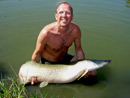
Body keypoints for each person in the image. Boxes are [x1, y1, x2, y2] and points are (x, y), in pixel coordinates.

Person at [31, 2, 96, 77]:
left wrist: (84, 69)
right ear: (56, 16)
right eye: (61, 12)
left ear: (72, 17)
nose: (64, 16)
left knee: (92, 73)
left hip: (65, 58)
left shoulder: (75, 30)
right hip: (49, 63)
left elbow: (78, 50)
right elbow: (37, 53)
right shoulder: (46, 33)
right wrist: (33, 73)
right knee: (53, 83)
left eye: (67, 13)